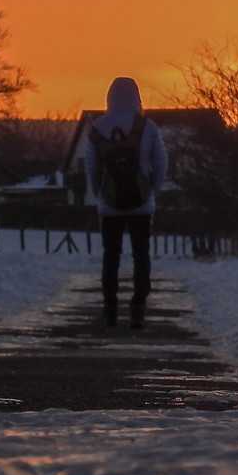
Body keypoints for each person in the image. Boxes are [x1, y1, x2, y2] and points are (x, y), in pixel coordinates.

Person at [84, 77, 168, 328]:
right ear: (136, 97)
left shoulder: (98, 127)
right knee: (142, 256)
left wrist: (101, 193)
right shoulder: (147, 126)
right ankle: (137, 310)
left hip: (110, 206)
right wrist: (153, 190)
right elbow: (161, 162)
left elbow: (92, 167)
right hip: (141, 203)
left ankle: (110, 310)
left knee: (111, 257)